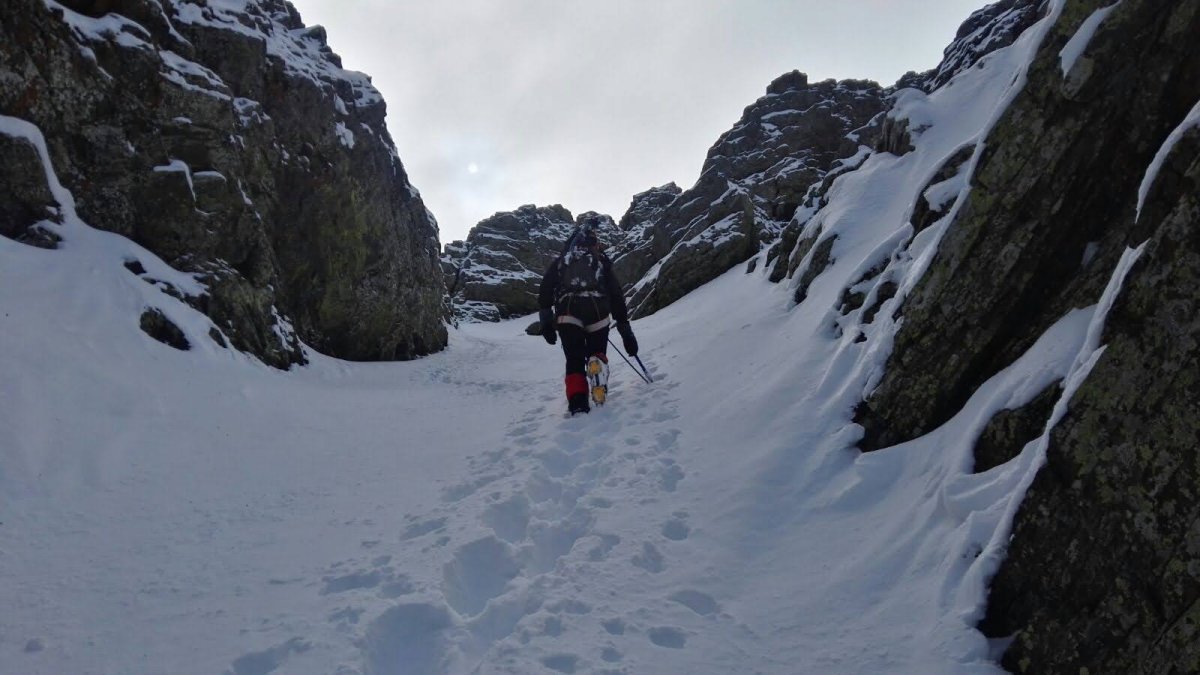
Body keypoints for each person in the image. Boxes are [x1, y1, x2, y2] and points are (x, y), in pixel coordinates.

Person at [538, 218, 638, 415]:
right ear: (595, 244)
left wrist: (546, 321)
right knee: (597, 352)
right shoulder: (601, 262)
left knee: (574, 359)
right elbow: (616, 295)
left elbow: (546, 290)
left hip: (568, 314)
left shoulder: (562, 261)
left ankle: (577, 403)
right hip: (598, 314)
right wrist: (625, 329)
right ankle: (597, 369)